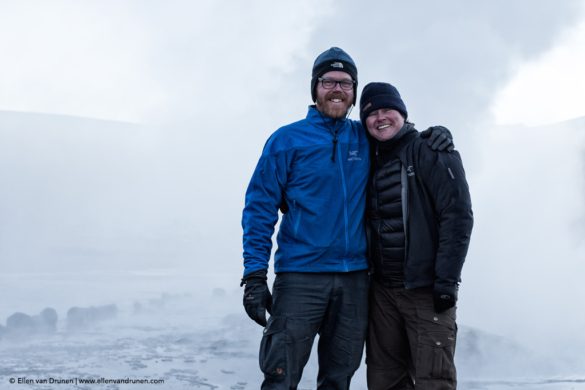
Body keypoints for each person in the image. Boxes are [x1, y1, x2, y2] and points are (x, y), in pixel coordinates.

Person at [241, 47, 453, 389]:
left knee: (339, 377)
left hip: (355, 279)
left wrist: (431, 136)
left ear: (354, 91)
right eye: (328, 81)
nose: (337, 89)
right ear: (314, 88)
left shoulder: (365, 137)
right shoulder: (286, 141)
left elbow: (399, 137)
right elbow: (259, 209)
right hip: (300, 278)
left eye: (345, 82)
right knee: (280, 375)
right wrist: (253, 275)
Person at [359, 82, 473, 390]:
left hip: (425, 290)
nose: (380, 118)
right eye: (372, 113)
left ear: (402, 114)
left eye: (387, 110)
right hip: (382, 291)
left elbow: (458, 216)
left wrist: (447, 281)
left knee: (434, 380)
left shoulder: (429, 150)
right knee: (384, 379)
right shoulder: (369, 157)